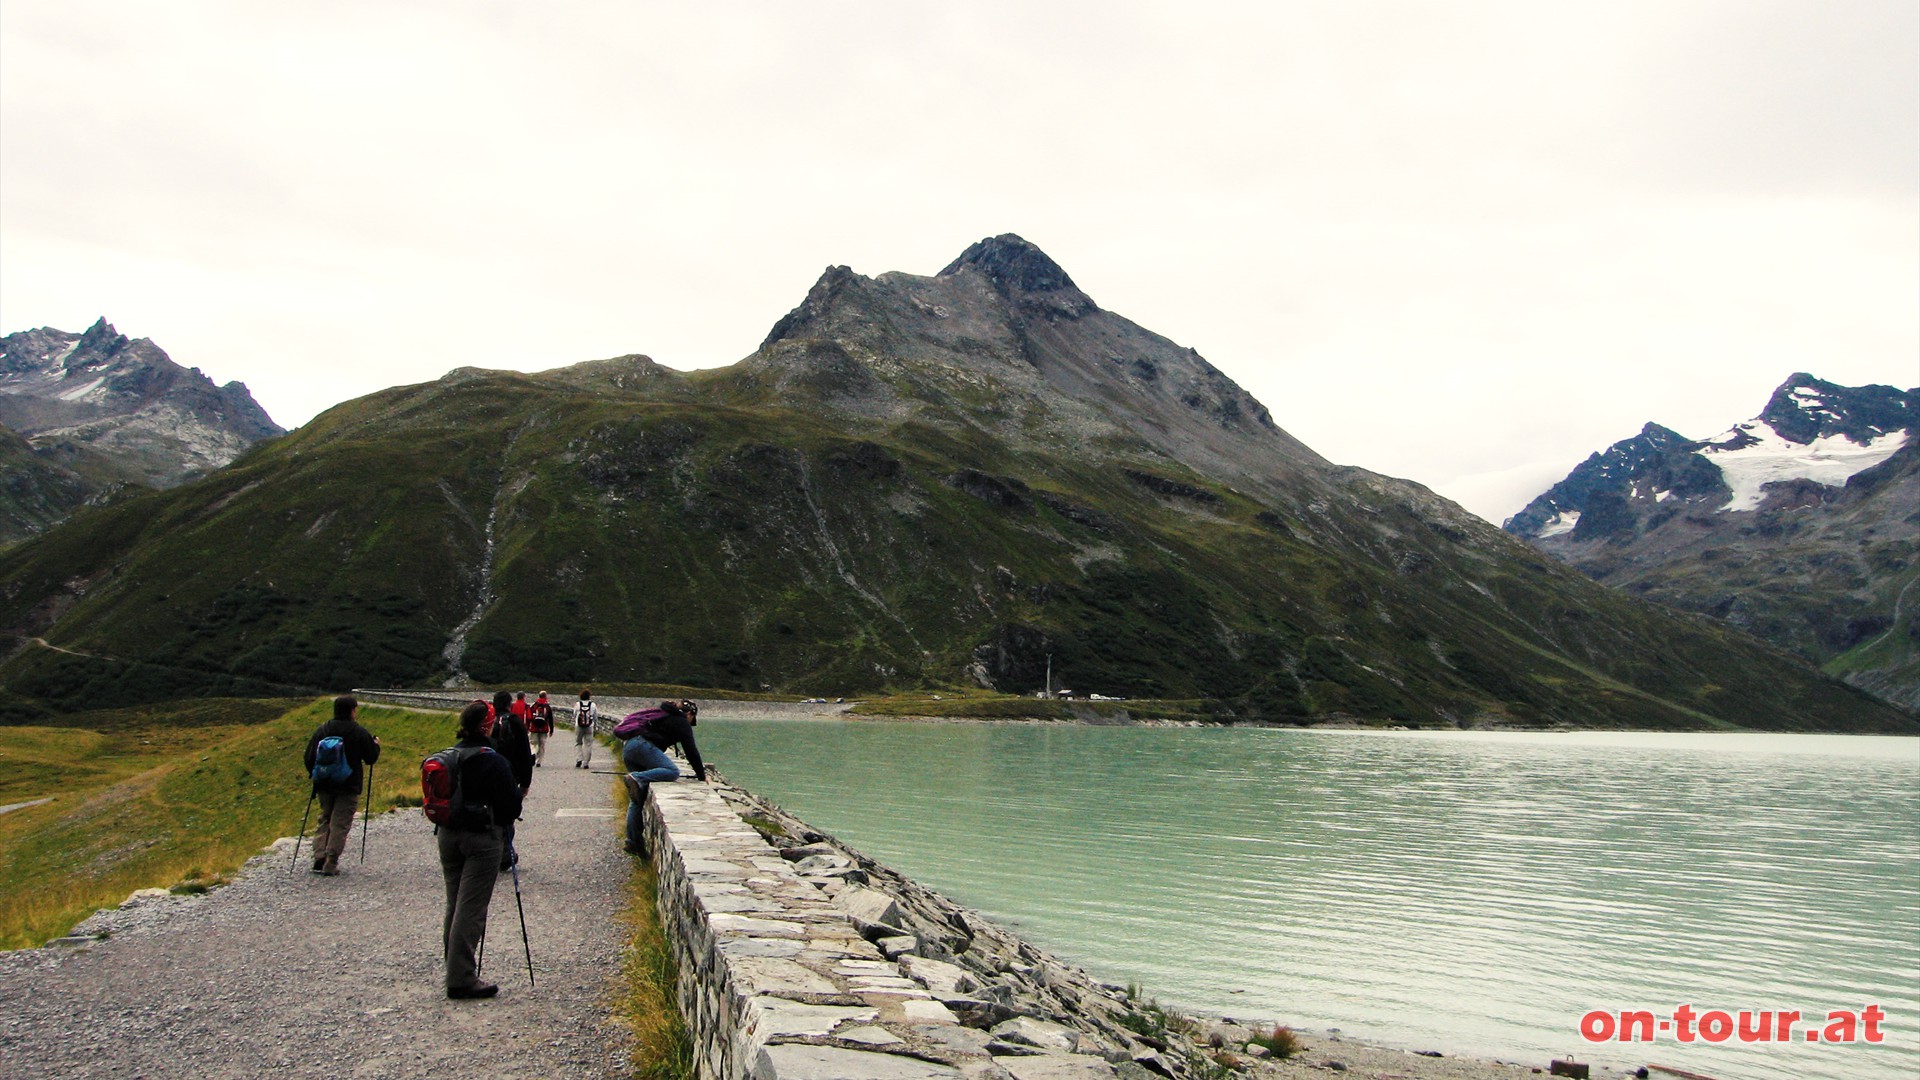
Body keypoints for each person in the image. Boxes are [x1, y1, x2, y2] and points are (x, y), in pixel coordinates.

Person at [437, 700, 523, 1000]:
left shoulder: (450, 755)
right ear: (487, 726)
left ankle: (454, 967)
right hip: (482, 839)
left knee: (454, 901)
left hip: (447, 835)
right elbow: (512, 807)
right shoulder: (493, 761)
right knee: (471, 907)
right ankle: (461, 979)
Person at [301, 694, 381, 876]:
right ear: (352, 711)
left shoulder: (323, 730)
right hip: (348, 786)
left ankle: (319, 856)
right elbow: (370, 758)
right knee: (340, 823)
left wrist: (316, 776)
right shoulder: (358, 731)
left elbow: (309, 757)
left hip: (324, 784)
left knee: (325, 818)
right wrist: (376, 745)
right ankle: (331, 861)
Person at [621, 699, 706, 856]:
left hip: (629, 748)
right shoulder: (681, 722)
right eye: (692, 719)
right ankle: (638, 778)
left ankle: (633, 843)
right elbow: (691, 751)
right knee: (671, 771)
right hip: (641, 747)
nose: (691, 722)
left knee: (636, 800)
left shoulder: (664, 715)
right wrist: (702, 776)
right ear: (690, 714)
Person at [490, 690, 534, 869]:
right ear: (510, 704)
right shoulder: (515, 722)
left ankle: (493, 850)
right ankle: (505, 852)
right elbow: (525, 754)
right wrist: (525, 783)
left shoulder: (488, 722)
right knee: (507, 814)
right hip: (510, 775)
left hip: (487, 773)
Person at [527, 691, 554, 767]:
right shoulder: (547, 706)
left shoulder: (534, 705)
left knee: (533, 743)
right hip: (544, 728)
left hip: (534, 728)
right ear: (545, 696)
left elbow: (529, 716)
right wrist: (551, 730)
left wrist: (528, 726)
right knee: (542, 745)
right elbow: (550, 719)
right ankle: (539, 761)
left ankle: (533, 754)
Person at [573, 689, 598, 769]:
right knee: (588, 744)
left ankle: (579, 759)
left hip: (579, 726)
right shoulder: (593, 705)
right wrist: (595, 726)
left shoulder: (577, 704)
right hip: (589, 726)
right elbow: (595, 717)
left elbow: (574, 714)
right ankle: (586, 763)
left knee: (578, 743)